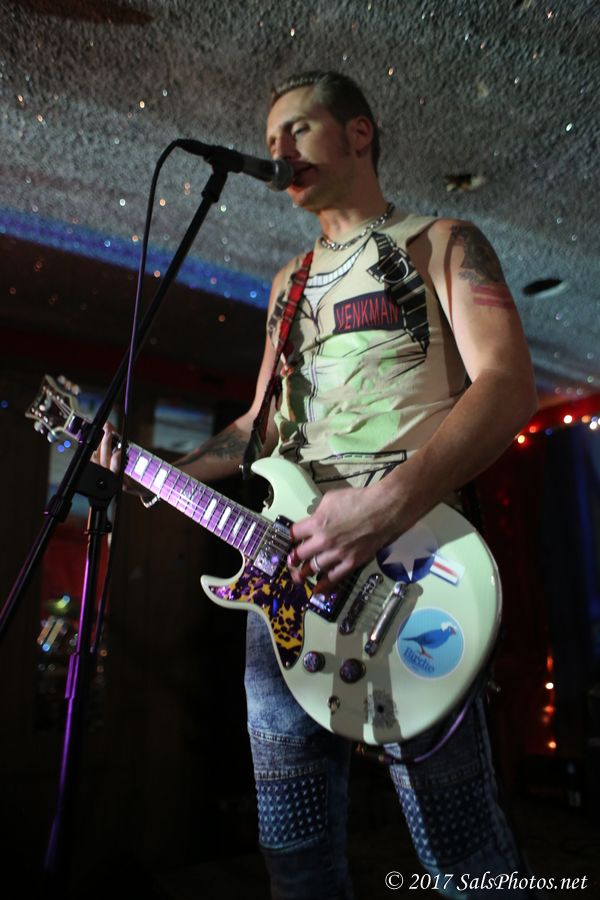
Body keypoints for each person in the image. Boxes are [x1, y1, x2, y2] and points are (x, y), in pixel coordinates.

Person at [96, 71, 538, 898]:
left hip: (411, 563)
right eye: (269, 141)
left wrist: (381, 507)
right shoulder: (286, 285)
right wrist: (149, 467)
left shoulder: (442, 241)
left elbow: (509, 388)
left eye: (296, 129)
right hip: (286, 576)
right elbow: (255, 431)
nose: (278, 152)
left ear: (359, 133)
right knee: (294, 855)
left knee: (464, 856)